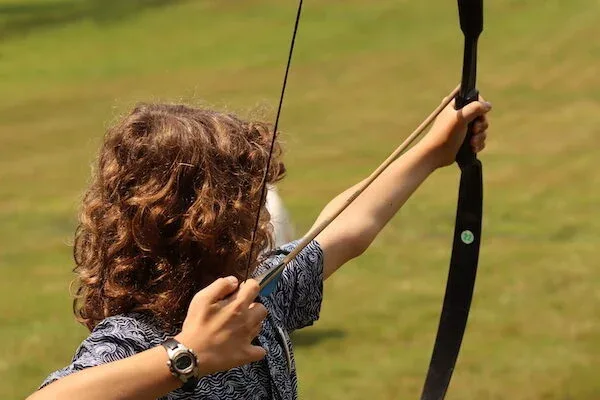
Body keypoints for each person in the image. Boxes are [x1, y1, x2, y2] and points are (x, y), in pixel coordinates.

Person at [31, 98, 491, 400]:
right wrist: (185, 355)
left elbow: (345, 230)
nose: (266, 218)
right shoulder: (136, 340)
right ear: (202, 221)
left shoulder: (257, 298)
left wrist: (433, 151)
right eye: (249, 203)